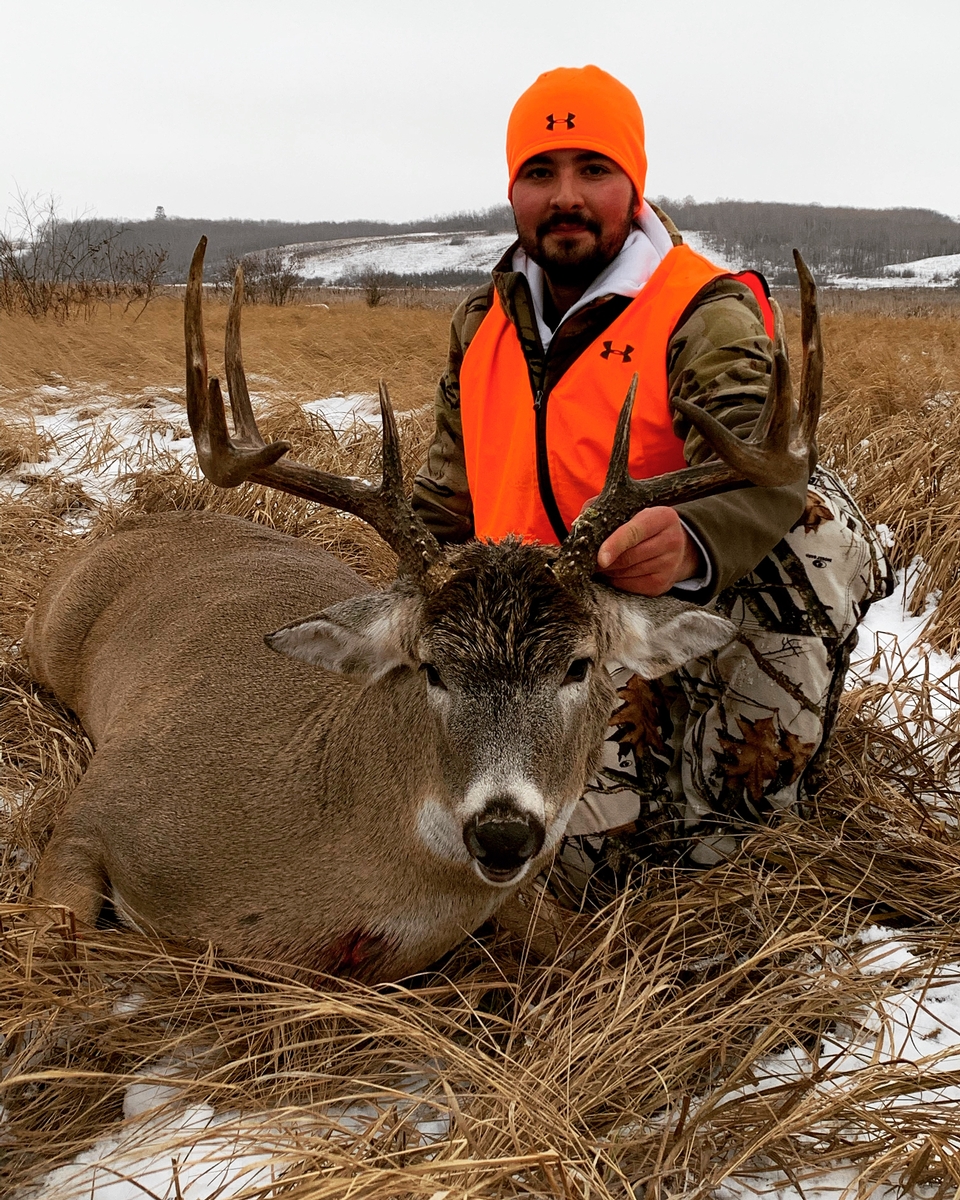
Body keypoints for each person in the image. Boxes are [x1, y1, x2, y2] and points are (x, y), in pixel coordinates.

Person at [412, 65, 891, 898]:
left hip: (649, 610)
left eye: (593, 169)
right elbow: (445, 503)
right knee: (535, 865)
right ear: (512, 191)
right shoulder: (482, 320)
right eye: (540, 172)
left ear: (633, 184)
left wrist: (692, 540)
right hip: (519, 637)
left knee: (816, 526)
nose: (566, 195)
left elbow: (767, 466)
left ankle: (737, 821)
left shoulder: (702, 309)